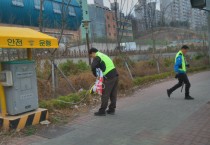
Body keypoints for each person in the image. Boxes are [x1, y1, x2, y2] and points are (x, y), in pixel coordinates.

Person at [89, 48, 119, 116]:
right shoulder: (103, 55)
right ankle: (112, 110)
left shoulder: (97, 57)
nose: (92, 57)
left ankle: (102, 111)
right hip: (115, 75)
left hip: (109, 77)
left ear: (93, 53)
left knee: (105, 94)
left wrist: (95, 74)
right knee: (113, 94)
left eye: (91, 56)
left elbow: (93, 66)